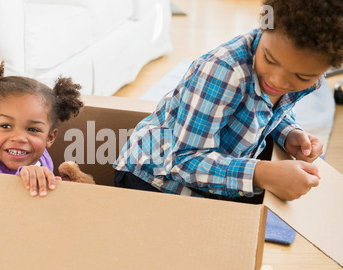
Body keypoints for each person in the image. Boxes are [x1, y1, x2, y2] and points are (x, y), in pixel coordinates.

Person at [114, 0, 343, 201]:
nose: (277, 81)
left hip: (213, 177)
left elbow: (267, 110)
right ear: (263, 26)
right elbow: (183, 161)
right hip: (153, 179)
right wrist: (263, 173)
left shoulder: (312, 73)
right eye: (269, 59)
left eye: (301, 76)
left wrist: (289, 132)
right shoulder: (224, 72)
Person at [0, 58, 83, 197]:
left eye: (33, 130)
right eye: (6, 126)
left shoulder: (39, 153)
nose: (19, 138)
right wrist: (23, 175)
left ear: (49, 138)